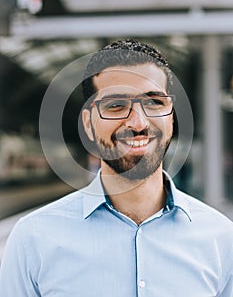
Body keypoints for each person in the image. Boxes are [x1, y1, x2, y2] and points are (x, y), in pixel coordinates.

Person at [0, 39, 232, 296]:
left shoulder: (221, 238)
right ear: (88, 123)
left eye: (154, 102)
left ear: (171, 114)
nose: (139, 122)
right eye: (116, 105)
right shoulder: (33, 239)